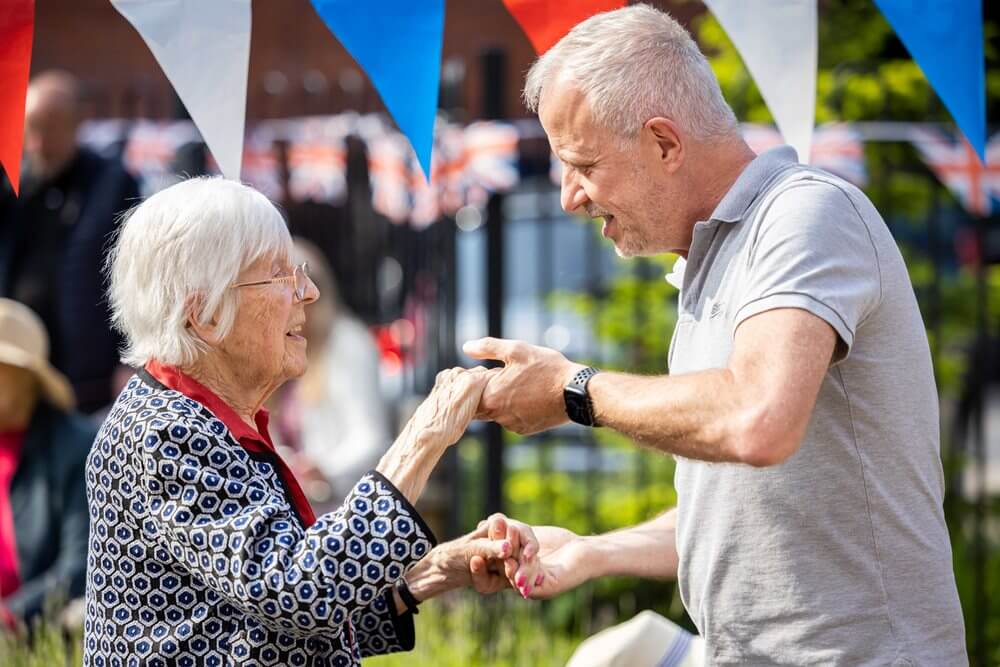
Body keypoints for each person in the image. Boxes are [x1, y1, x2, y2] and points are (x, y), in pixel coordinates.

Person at [464, 5, 967, 665]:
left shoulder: (805, 212)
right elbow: (741, 512)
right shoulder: (715, 257)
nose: (569, 196)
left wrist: (573, 390)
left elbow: (757, 420)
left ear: (664, 144)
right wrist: (590, 553)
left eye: (582, 164)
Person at [85, 177, 513, 665]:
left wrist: (433, 573)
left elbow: (267, 626)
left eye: (300, 273)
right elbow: (297, 595)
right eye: (280, 276)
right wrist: (424, 434)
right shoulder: (164, 431)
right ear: (205, 315)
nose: (308, 292)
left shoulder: (198, 417)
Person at [0, 71, 140, 413]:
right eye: (31, 128)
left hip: (89, 373)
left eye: (50, 128)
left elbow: (137, 275)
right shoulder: (12, 184)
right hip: (17, 361)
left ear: (78, 123)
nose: (39, 142)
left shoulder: (112, 183)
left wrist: (130, 356)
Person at [270, 238, 390, 512]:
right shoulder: (284, 345)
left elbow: (370, 437)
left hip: (342, 505)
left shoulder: (347, 343)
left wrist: (324, 469)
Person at [0, 299, 93, 631]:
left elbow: (80, 564)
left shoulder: (77, 447)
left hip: (36, 623)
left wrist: (10, 616)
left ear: (27, 376)